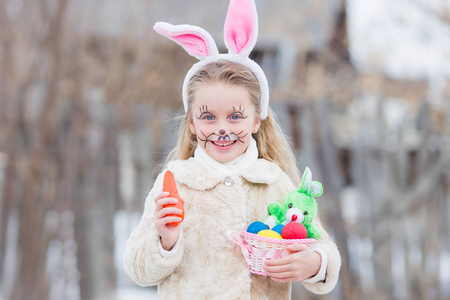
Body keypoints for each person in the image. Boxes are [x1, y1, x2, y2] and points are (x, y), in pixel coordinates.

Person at [124, 0, 341, 299]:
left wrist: (315, 262)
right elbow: (136, 267)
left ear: (256, 120)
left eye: (235, 116)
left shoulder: (273, 181)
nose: (221, 128)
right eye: (208, 117)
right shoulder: (176, 181)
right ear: (191, 123)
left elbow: (321, 244)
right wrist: (165, 240)